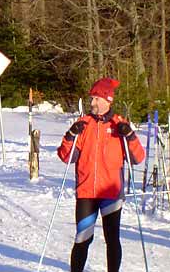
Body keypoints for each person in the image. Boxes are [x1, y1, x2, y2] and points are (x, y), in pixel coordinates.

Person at [57, 78, 145, 272]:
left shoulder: (119, 124)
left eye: (96, 98)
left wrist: (129, 135)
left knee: (112, 239)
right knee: (82, 238)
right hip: (87, 192)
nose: (93, 103)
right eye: (92, 99)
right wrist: (70, 135)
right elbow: (66, 157)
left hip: (111, 193)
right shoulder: (84, 124)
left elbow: (138, 158)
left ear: (108, 100)